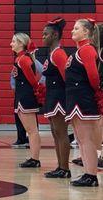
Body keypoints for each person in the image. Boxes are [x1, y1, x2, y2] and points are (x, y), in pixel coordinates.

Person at [65, 19, 101, 187]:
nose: (72, 31)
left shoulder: (87, 49)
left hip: (83, 98)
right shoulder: (81, 50)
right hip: (76, 98)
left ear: (86, 32)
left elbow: (94, 77)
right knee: (80, 139)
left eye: (76, 28)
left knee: (86, 139)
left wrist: (94, 93)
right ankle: (88, 173)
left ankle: (91, 175)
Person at [40, 18, 71, 178]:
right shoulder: (52, 53)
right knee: (55, 132)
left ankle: (65, 169)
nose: (43, 37)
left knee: (61, 132)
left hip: (59, 97)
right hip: (52, 96)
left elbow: (68, 77)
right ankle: (60, 166)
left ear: (55, 35)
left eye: (46, 34)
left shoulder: (58, 53)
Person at [10, 33, 42, 167]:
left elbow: (33, 81)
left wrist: (37, 91)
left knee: (32, 131)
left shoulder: (23, 59)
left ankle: (35, 159)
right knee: (30, 130)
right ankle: (33, 157)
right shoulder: (19, 58)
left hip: (26, 97)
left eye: (13, 41)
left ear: (21, 44)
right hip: (21, 96)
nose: (11, 44)